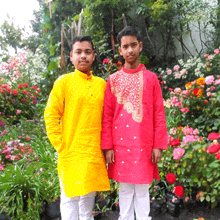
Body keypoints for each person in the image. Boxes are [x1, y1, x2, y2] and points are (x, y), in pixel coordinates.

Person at [101, 26, 168, 220]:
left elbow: (158, 114)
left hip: (144, 144)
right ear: (119, 51)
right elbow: (107, 116)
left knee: (142, 188)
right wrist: (108, 147)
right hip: (120, 145)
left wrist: (158, 146)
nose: (130, 50)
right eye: (125, 46)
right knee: (125, 188)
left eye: (133, 45)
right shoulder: (112, 80)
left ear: (140, 47)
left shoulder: (151, 78)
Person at [44, 36, 110, 220]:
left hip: (93, 150)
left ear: (94, 56)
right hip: (70, 151)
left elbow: (107, 118)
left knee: (88, 196)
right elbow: (50, 114)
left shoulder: (101, 85)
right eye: (78, 52)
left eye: (87, 52)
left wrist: (106, 146)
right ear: (71, 56)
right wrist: (60, 143)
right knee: (70, 197)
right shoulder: (63, 83)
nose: (83, 56)